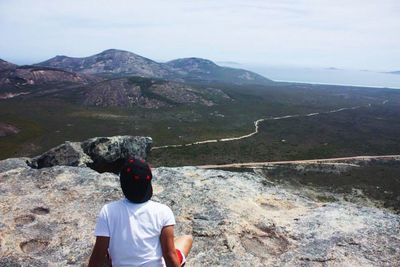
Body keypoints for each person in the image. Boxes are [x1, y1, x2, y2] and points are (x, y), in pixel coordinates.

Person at [88, 158, 193, 267]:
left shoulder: (108, 211)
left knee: (109, 251)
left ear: (123, 184)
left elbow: (98, 256)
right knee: (186, 239)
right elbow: (169, 255)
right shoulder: (163, 211)